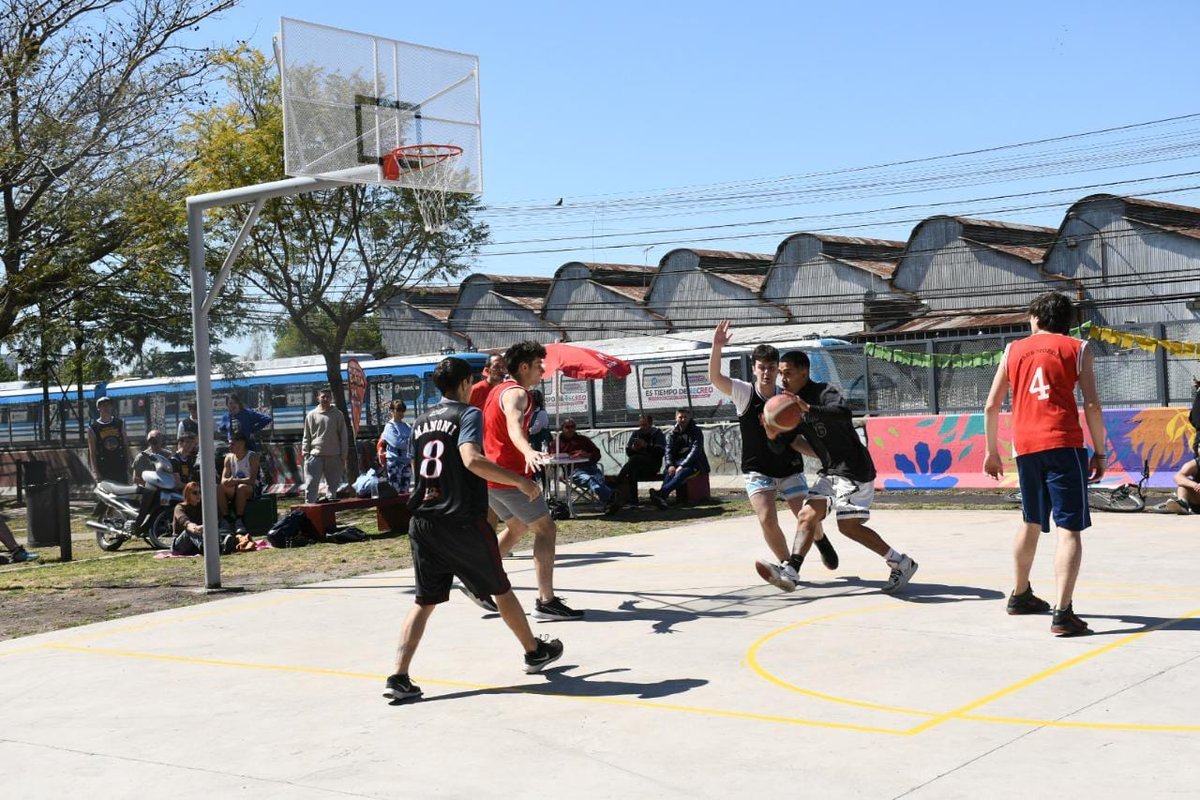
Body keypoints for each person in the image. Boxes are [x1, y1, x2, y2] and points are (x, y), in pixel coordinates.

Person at [383, 356, 564, 702]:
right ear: (466, 384)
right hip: (459, 520)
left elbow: (419, 467)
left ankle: (398, 676)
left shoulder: (420, 421)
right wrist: (520, 483)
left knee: (424, 600)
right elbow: (471, 459)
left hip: (422, 521)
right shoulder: (468, 414)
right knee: (500, 587)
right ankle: (534, 651)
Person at [984, 291, 1106, 637]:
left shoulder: (1012, 350)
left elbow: (991, 405)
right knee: (1070, 529)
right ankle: (1063, 613)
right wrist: (1100, 451)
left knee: (1031, 520)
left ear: (1035, 318)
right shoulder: (1078, 348)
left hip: (1024, 446)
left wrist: (991, 451)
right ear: (1067, 322)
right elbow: (1093, 406)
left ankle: (1020, 593)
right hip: (1063, 444)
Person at [767, 349, 917, 594]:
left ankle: (901, 562)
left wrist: (810, 409)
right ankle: (791, 573)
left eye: (788, 373)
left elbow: (844, 415)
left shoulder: (824, 392)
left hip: (854, 469)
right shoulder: (788, 405)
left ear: (804, 371)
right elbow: (787, 443)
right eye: (780, 374)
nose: (782, 379)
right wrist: (773, 434)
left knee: (848, 526)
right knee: (806, 516)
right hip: (831, 472)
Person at [707, 320, 839, 590]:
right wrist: (716, 347)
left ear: (778, 370)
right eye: (761, 367)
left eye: (771, 367)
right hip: (757, 468)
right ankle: (787, 565)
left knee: (805, 516)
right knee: (766, 518)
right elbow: (716, 378)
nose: (766, 372)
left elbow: (799, 438)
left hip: (788, 467)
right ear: (754, 369)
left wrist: (823, 454)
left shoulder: (787, 396)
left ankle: (821, 540)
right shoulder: (744, 392)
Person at [484, 340, 582, 620]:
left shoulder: (498, 390)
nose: (543, 370)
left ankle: (481, 582)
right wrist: (527, 450)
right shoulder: (517, 394)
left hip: (491, 476)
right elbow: (514, 426)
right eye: (539, 365)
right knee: (546, 529)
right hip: (510, 477)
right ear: (524, 366)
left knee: (516, 528)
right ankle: (546, 601)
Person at [648, 409, 709, 510]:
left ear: (689, 418)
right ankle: (662, 498)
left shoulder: (696, 431)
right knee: (669, 472)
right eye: (680, 417)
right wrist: (670, 465)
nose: (683, 419)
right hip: (677, 462)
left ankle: (661, 494)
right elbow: (668, 451)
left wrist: (682, 465)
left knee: (681, 473)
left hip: (695, 463)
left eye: (685, 417)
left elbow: (696, 450)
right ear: (676, 418)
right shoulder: (672, 433)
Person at [606, 414, 667, 514]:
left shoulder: (657, 434)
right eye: (641, 425)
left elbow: (659, 453)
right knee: (632, 470)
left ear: (651, 424)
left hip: (652, 465)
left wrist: (646, 446)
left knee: (634, 460)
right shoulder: (637, 434)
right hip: (637, 466)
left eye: (645, 425)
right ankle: (633, 502)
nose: (642, 427)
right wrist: (633, 449)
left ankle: (616, 483)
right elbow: (629, 452)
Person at [548, 418, 613, 507]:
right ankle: (611, 498)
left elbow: (597, 454)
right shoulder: (557, 443)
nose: (570, 429)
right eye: (567, 427)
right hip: (573, 471)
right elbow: (552, 458)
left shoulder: (583, 440)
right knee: (592, 480)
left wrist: (587, 454)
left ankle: (609, 503)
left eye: (573, 427)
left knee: (598, 480)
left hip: (591, 468)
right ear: (562, 428)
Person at [302, 388, 349, 504]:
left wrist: (343, 455)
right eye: (323, 397)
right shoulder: (311, 415)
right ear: (318, 398)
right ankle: (309, 511)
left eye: (328, 397)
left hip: (334, 456)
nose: (325, 399)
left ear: (331, 398)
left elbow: (343, 436)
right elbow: (306, 436)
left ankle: (329, 513)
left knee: (332, 488)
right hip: (314, 456)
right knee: (311, 486)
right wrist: (305, 453)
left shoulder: (338, 414)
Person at [219, 432, 260, 534]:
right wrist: (228, 481)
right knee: (219, 488)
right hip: (235, 487)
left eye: (232, 444)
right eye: (229, 443)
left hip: (251, 488)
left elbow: (251, 479)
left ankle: (239, 520)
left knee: (241, 487)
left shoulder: (252, 456)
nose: (229, 446)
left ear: (242, 443)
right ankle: (226, 519)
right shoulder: (229, 457)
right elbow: (223, 480)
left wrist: (235, 481)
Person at [87, 396, 129, 483]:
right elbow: (92, 452)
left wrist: (129, 463)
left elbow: (125, 444)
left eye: (108, 405)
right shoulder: (93, 428)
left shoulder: (119, 423)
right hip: (104, 468)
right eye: (103, 406)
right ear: (98, 408)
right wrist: (95, 472)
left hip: (120, 465)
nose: (106, 408)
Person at [377, 399, 413, 492]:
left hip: (407, 461)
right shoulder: (389, 426)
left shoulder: (407, 426)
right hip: (394, 462)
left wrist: (407, 442)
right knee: (395, 489)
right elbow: (397, 443)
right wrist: (408, 442)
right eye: (398, 410)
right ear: (392, 411)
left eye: (403, 410)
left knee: (405, 490)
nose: (401, 413)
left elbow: (414, 440)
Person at [527, 389, 552, 453]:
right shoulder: (529, 412)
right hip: (531, 443)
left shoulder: (541, 413)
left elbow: (534, 430)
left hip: (539, 444)